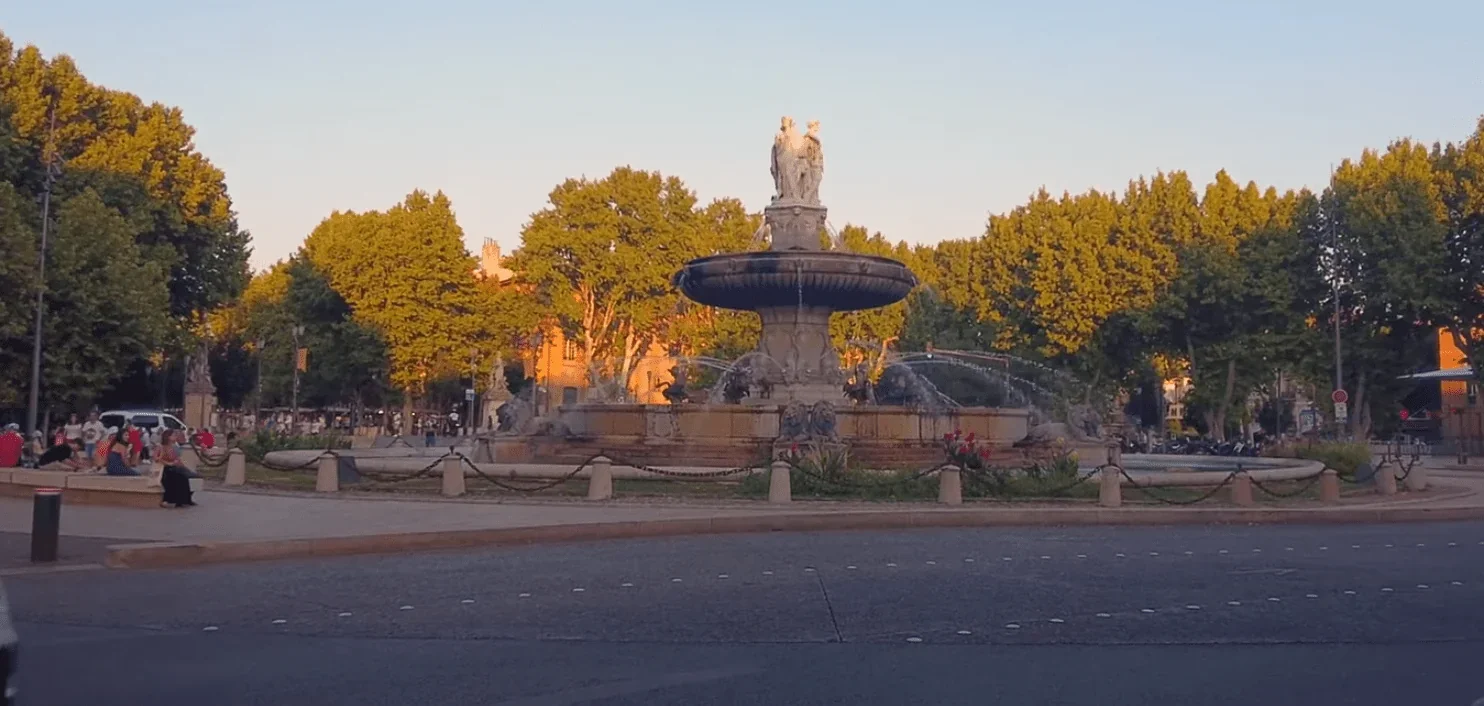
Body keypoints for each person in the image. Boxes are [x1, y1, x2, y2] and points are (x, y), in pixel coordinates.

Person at [155, 429, 197, 507]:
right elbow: (156, 459)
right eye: (173, 435)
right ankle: (179, 500)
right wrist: (169, 463)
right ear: (168, 437)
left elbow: (176, 459)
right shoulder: (160, 446)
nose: (175, 437)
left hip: (174, 468)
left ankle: (187, 499)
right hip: (166, 469)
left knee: (192, 476)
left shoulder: (173, 447)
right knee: (182, 478)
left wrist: (182, 466)